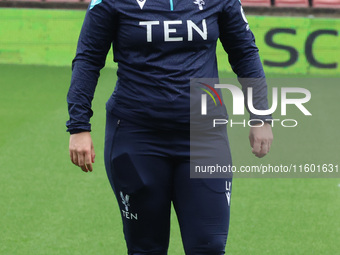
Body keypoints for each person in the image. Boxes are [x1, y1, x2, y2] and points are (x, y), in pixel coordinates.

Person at [66, 0, 273, 254]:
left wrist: (261, 115)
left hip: (204, 135)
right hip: (136, 136)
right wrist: (79, 126)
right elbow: (88, 58)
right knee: (146, 248)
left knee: (209, 246)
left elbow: (244, 52)